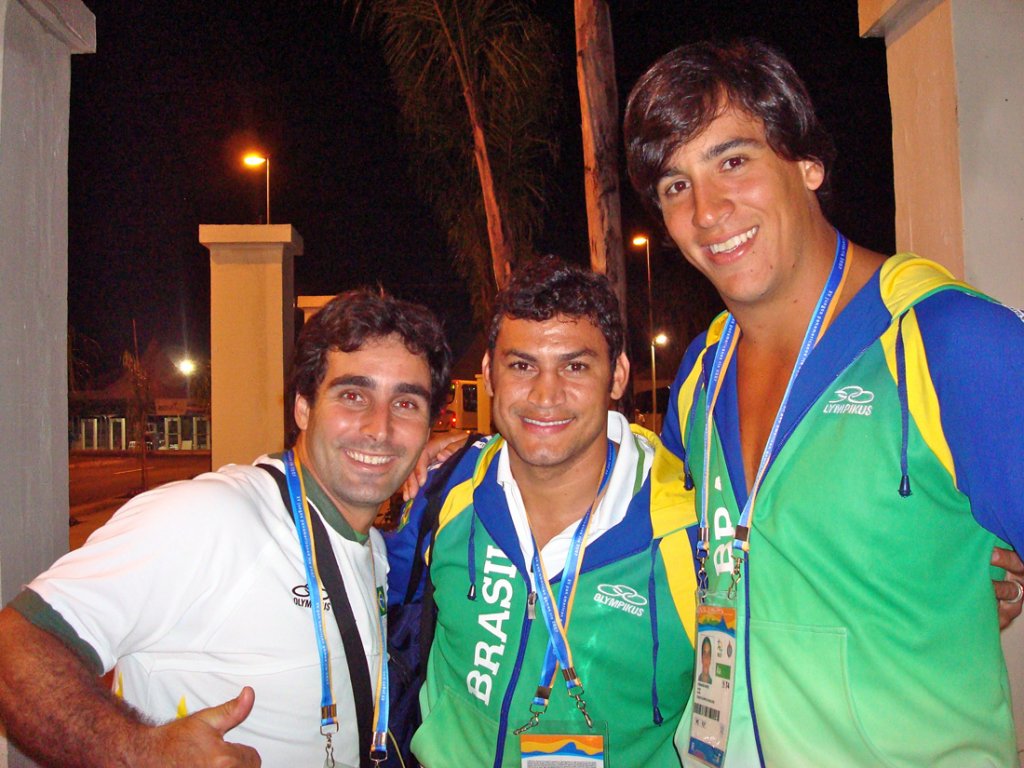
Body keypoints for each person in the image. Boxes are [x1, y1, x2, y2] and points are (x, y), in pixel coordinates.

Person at [623, 39, 1024, 767]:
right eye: (676, 186)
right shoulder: (700, 376)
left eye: (732, 161)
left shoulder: (951, 342)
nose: (707, 211)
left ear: (807, 163)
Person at [0, 289, 452, 768]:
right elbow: (16, 646)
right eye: (353, 395)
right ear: (303, 406)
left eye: (407, 403)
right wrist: (137, 751)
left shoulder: (373, 553)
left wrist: (470, 456)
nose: (380, 428)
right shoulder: (212, 516)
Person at [387, 256, 698, 768]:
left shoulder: (690, 531)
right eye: (521, 365)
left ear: (617, 375)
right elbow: (363, 592)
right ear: (489, 374)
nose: (545, 394)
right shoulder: (447, 492)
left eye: (575, 366)